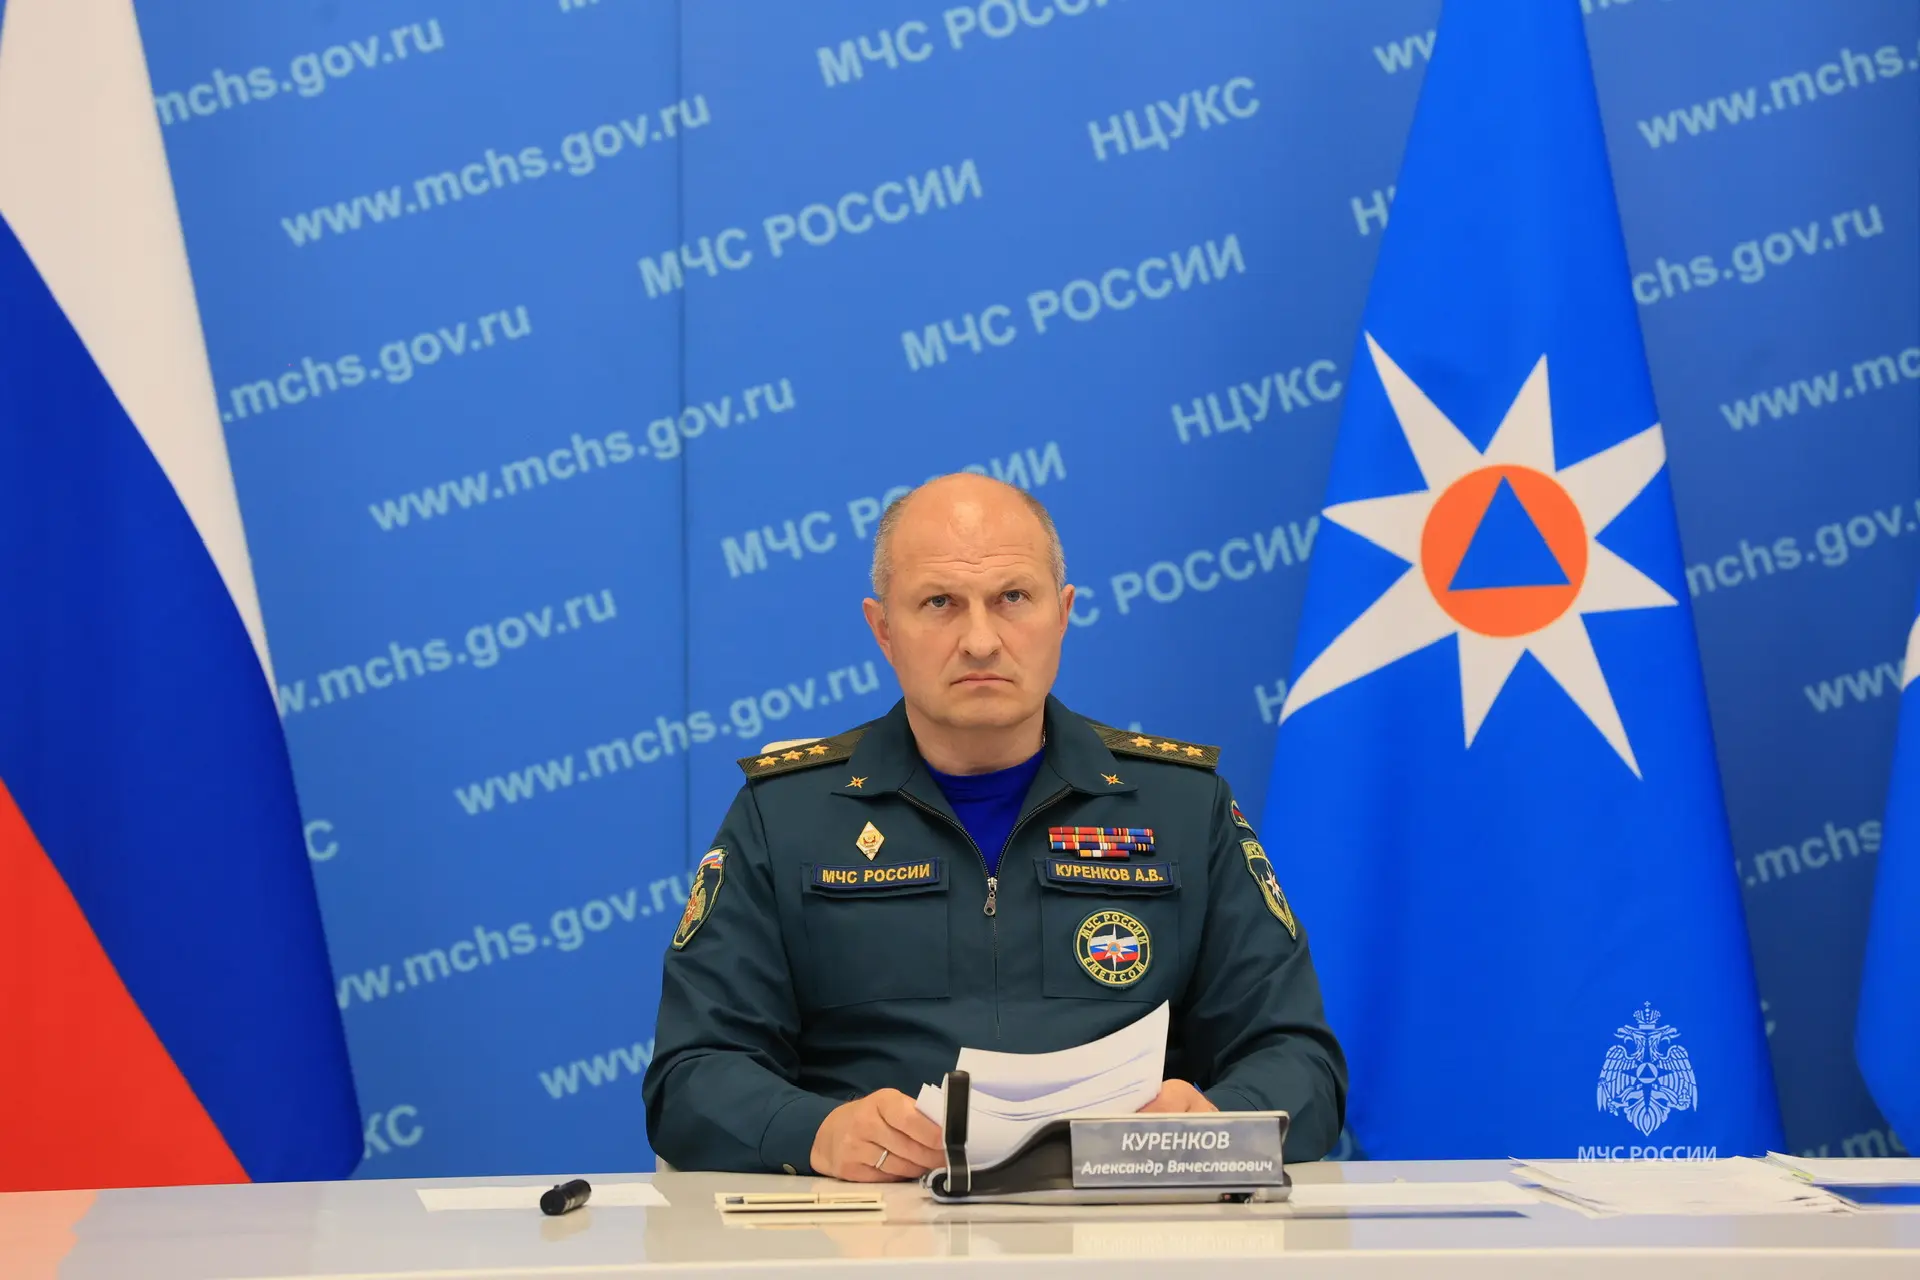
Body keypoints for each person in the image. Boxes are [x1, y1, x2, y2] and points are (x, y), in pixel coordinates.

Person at [642, 474, 1346, 1179]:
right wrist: (817, 1132)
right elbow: (690, 1074)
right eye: (939, 603)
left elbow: (1299, 1059)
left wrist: (1216, 1124)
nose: (980, 641)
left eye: (1012, 598)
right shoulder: (784, 815)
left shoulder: (1183, 808)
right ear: (883, 630)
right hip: (873, 1218)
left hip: (1124, 1209)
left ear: (1062, 614)